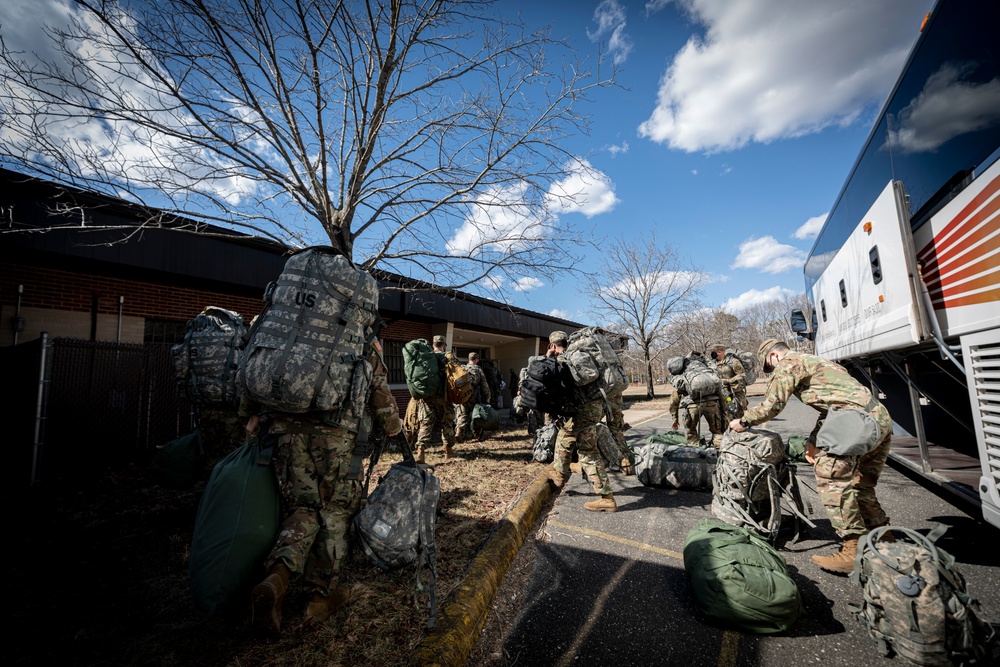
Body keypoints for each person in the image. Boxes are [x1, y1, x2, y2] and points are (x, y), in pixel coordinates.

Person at [245, 338, 402, 632]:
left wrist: (251, 415)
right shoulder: (359, 331)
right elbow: (378, 388)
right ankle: (319, 598)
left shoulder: (291, 320)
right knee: (335, 512)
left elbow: (252, 368)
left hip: (286, 431)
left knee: (303, 507)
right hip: (336, 435)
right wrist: (392, 425)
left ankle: (277, 577)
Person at [729, 339, 892, 574]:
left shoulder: (788, 364)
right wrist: (814, 440)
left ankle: (853, 550)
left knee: (831, 476)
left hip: (855, 422)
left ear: (774, 355)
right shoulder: (820, 362)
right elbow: (833, 406)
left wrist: (743, 421)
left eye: (770, 365)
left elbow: (773, 405)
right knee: (861, 485)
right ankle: (884, 539)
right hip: (878, 418)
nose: (773, 369)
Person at [542, 331, 617, 512]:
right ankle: (559, 472)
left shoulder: (565, 360)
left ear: (553, 345)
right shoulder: (582, 356)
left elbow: (549, 378)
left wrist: (548, 359)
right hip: (595, 406)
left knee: (587, 451)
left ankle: (607, 498)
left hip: (584, 408)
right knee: (568, 436)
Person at [668, 351, 726, 447]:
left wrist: (675, 419)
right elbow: (721, 393)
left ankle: (696, 453)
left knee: (691, 434)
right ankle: (719, 454)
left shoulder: (683, 375)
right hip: (712, 405)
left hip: (692, 406)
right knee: (717, 433)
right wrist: (724, 410)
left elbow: (674, 400)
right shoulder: (707, 373)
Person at [413, 335, 456, 463]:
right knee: (447, 423)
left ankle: (420, 451)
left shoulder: (426, 357)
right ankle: (448, 451)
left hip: (427, 397)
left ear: (433, 345)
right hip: (444, 397)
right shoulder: (448, 357)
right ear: (444, 345)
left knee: (426, 424)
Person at [455, 351, 490, 442]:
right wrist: (487, 397)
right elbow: (484, 385)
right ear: (476, 360)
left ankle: (459, 431)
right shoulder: (478, 369)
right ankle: (476, 434)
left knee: (462, 414)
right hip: (474, 396)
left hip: (462, 396)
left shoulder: (462, 368)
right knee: (476, 415)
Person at [708, 342, 748, 419]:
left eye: (714, 352)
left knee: (740, 411)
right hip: (724, 393)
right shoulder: (712, 364)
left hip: (736, 392)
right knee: (727, 410)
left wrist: (728, 380)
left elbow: (742, 375)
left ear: (720, 352)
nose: (712, 354)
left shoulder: (733, 362)